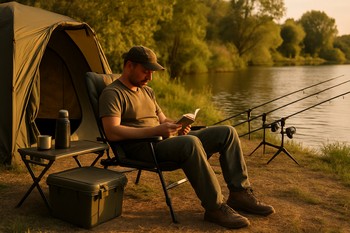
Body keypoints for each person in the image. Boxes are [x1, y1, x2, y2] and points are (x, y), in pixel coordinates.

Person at [99, 45, 275, 229]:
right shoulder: (113, 93)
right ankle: (214, 208)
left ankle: (240, 194)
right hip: (143, 148)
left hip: (164, 141)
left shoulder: (147, 91)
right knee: (190, 142)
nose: (149, 77)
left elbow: (162, 119)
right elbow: (112, 131)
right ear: (129, 65)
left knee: (227, 132)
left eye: (152, 72)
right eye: (145, 71)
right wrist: (156, 131)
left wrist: (177, 125)